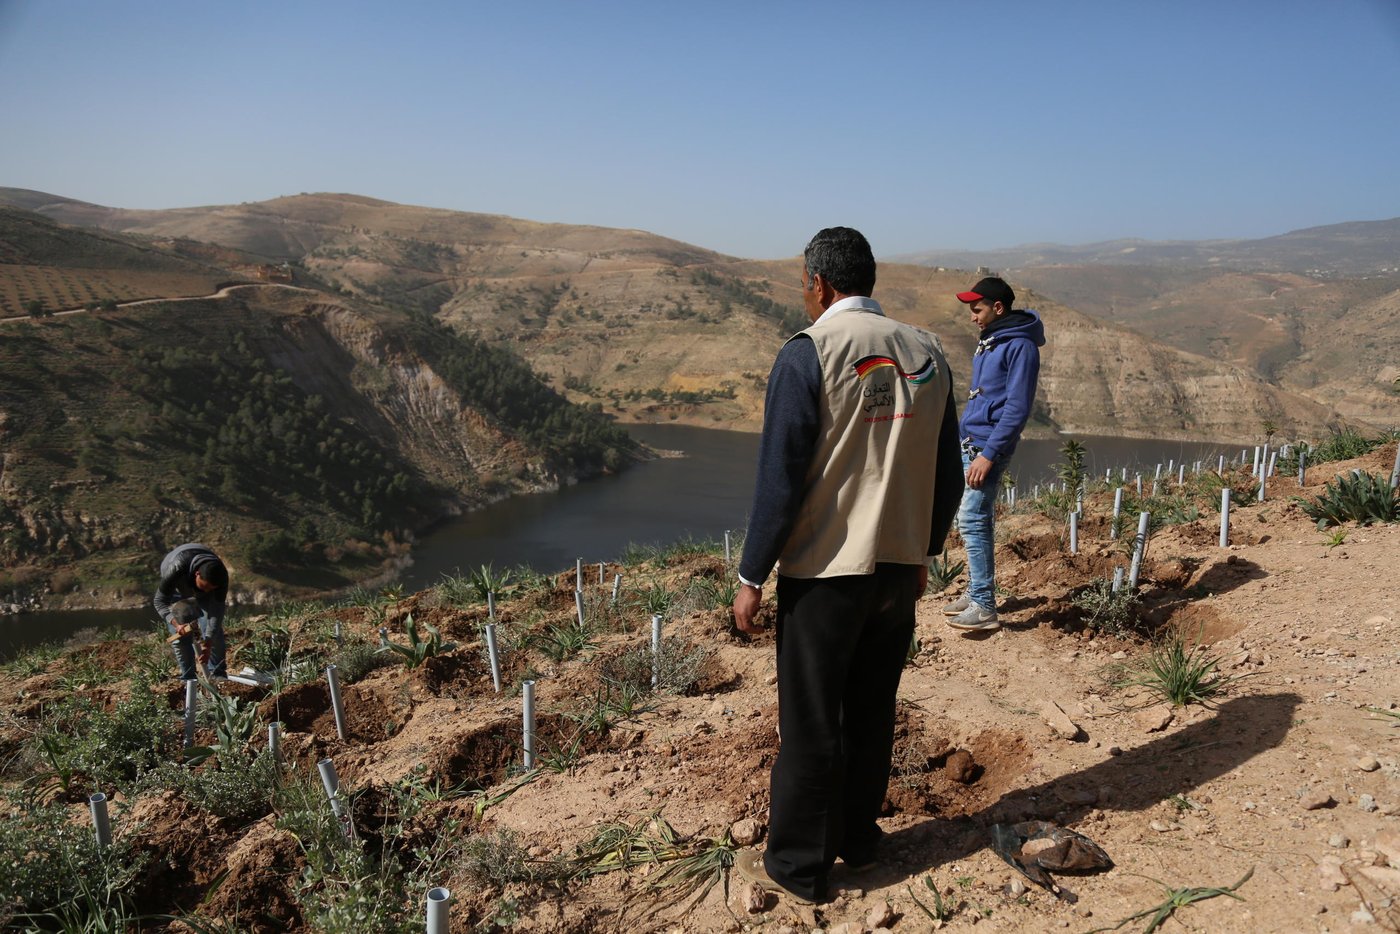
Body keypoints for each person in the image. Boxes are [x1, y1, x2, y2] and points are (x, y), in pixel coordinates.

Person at [731, 227, 964, 904]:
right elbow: (945, 474)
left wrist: (751, 576)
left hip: (827, 572)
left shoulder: (810, 354)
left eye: (804, 285)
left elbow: (781, 481)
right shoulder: (928, 353)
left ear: (819, 284)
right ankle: (860, 845)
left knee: (809, 723)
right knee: (871, 711)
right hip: (897, 572)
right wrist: (923, 552)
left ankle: (798, 868)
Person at [943, 276, 1045, 632]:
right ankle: (975, 593)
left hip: (987, 447)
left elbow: (1016, 408)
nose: (972, 316)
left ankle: (985, 605)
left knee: (973, 518)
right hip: (971, 441)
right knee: (972, 519)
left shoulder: (1020, 347)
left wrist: (989, 453)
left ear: (997, 308)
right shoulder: (991, 339)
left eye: (977, 309)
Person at [153, 542, 230, 680]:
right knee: (181, 636)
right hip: (179, 588)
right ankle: (189, 679)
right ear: (197, 574)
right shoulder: (175, 570)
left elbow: (216, 611)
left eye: (211, 589)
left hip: (197, 581)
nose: (207, 591)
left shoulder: (220, 577)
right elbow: (159, 602)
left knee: (214, 632)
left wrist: (209, 641)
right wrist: (176, 623)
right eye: (205, 586)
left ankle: (217, 675)